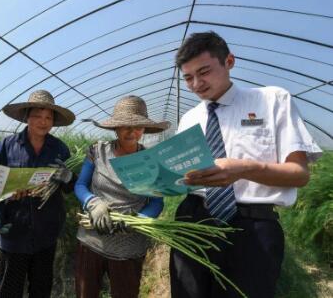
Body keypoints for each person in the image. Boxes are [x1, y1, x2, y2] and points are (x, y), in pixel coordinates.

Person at [169, 31, 322, 298]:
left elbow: (299, 174)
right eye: (188, 77)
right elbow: (181, 174)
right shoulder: (189, 118)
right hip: (193, 219)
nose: (196, 84)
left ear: (229, 61)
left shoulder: (271, 100)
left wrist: (243, 169)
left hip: (252, 228)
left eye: (204, 72)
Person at [0, 90, 77, 298]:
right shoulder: (6, 147)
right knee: (8, 289)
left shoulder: (59, 149)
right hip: (14, 231)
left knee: (41, 288)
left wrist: (68, 177)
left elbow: (69, 189)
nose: (43, 122)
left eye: (48, 117)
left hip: (46, 232)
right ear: (26, 117)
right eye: (37, 116)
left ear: (54, 121)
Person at [74, 95, 170, 298]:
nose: (132, 131)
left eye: (138, 126)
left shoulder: (150, 161)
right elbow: (81, 185)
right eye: (125, 126)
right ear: (115, 128)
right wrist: (93, 203)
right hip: (92, 240)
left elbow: (157, 202)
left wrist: (138, 220)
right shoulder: (97, 151)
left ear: (144, 129)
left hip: (129, 245)